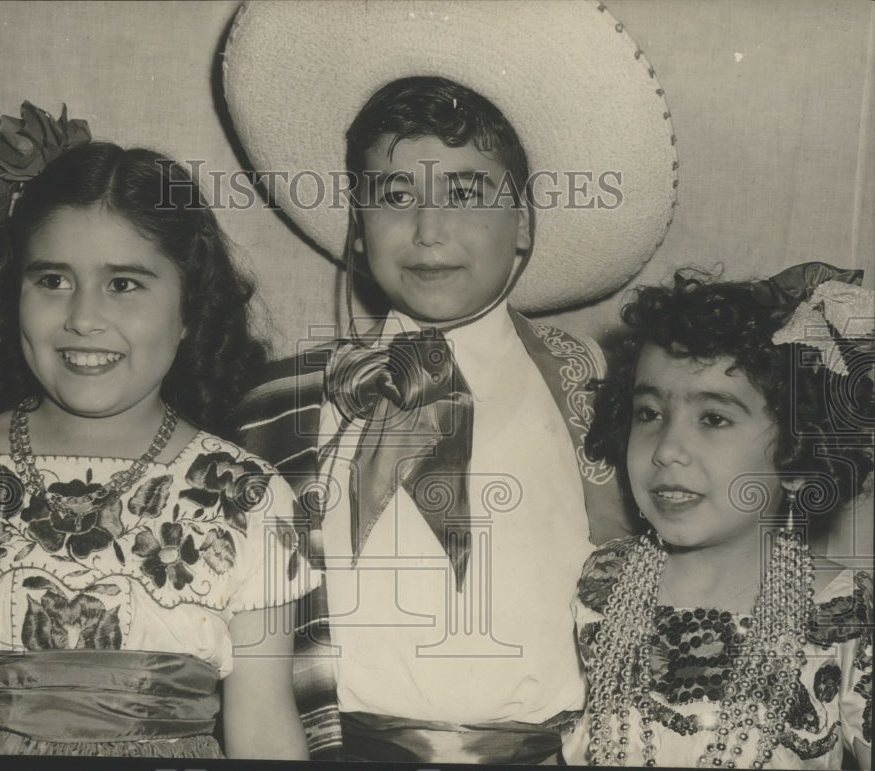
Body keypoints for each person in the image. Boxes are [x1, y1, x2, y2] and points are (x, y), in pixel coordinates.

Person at [221, 1, 679, 762]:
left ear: (525, 223)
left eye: (466, 193)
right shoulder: (278, 406)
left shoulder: (593, 392)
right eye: (396, 196)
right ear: (359, 228)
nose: (429, 230)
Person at [0, 101, 316, 758]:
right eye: (52, 279)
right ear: (11, 292)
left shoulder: (248, 496)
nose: (83, 317)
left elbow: (263, 731)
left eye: (124, 285)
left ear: (191, 307)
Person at [562, 264, 874, 768]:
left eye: (713, 418)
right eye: (649, 413)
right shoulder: (595, 584)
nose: (667, 449)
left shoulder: (848, 618)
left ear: (798, 456)